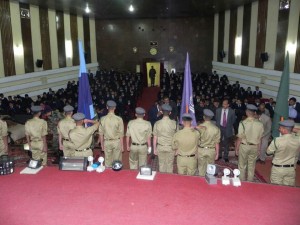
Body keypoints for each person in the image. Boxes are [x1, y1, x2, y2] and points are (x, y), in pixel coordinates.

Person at [235, 104, 264, 181]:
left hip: (244, 146)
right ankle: (250, 182)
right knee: (252, 165)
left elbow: (239, 138)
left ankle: (242, 181)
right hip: (255, 146)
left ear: (247, 112)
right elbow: (260, 138)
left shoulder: (242, 123)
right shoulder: (260, 124)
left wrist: (236, 148)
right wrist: (259, 149)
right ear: (254, 113)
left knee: (242, 165)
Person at [267, 120, 300, 186]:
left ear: (285, 130)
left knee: (276, 189)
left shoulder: (277, 140)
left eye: (280, 128)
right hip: (291, 169)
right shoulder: (297, 139)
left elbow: (268, 152)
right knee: (288, 190)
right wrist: (293, 129)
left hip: (278, 169)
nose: (279, 129)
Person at [98, 100, 124, 167]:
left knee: (108, 162)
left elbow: (101, 134)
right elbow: (121, 134)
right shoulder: (119, 119)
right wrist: (122, 146)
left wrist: (102, 145)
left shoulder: (102, 119)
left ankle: (108, 176)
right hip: (116, 142)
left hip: (107, 142)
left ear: (107, 107)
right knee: (117, 162)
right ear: (115, 108)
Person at [153, 104, 177, 173]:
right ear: (170, 113)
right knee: (170, 165)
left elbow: (155, 137)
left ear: (162, 112)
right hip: (171, 147)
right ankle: (169, 181)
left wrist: (154, 149)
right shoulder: (174, 123)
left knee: (161, 165)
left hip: (160, 147)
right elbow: (176, 138)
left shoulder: (157, 123)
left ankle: (162, 182)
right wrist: (177, 149)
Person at [197, 109, 220, 176]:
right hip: (211, 150)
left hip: (201, 150)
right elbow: (217, 142)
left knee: (201, 168)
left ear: (204, 117)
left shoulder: (199, 127)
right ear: (211, 118)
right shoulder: (216, 128)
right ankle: (208, 184)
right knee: (210, 169)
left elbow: (196, 140)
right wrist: (217, 153)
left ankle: (201, 182)